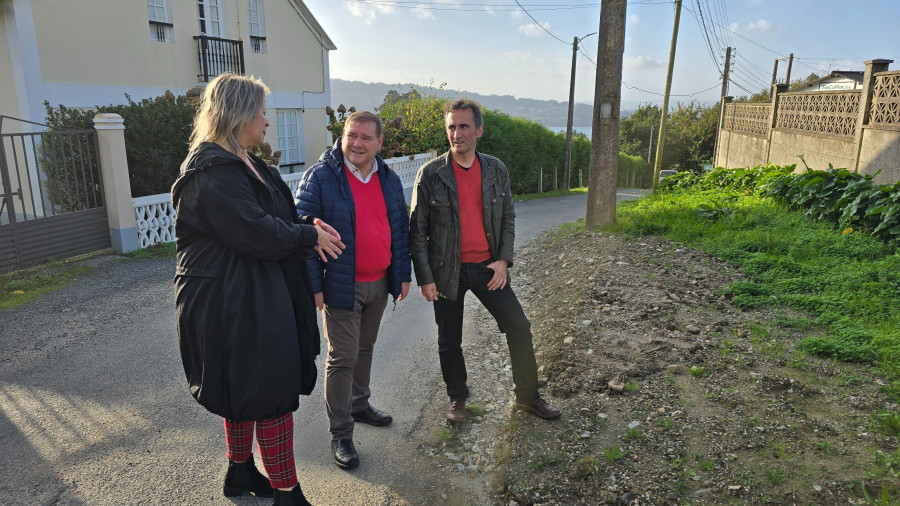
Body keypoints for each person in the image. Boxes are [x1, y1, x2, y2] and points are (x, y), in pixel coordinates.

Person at [172, 72, 344, 506]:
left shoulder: (251, 166)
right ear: (239, 114)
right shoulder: (211, 173)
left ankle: (240, 471)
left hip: (250, 292)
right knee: (267, 391)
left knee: (247, 387)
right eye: (263, 112)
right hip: (228, 301)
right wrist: (305, 238)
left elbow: (276, 219)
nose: (268, 121)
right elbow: (255, 232)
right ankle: (288, 494)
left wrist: (308, 226)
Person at [409, 98, 561, 424]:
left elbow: (507, 218)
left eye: (464, 126)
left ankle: (528, 398)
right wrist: (425, 277)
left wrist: (504, 260)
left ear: (478, 130)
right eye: (451, 127)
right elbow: (417, 231)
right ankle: (457, 400)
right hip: (446, 272)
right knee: (449, 340)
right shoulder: (430, 174)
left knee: (519, 326)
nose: (457, 133)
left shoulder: (495, 169)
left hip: (488, 268)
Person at [295, 111, 411, 470]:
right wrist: (314, 286)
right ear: (342, 136)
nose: (356, 143)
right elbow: (302, 233)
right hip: (341, 283)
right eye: (351, 135)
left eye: (365, 137)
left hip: (379, 280)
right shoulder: (322, 175)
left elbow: (399, 229)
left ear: (379, 143)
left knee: (364, 349)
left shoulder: (388, 178)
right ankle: (341, 432)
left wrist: (401, 275)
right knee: (342, 357)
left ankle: (359, 404)